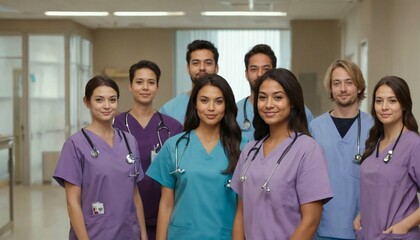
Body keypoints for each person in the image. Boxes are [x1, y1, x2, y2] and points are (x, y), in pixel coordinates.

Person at [231, 68, 332, 240]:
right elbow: (241, 212)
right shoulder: (250, 151)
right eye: (262, 97)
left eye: (278, 97)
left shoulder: (308, 150)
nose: (269, 104)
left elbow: (311, 221)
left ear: (292, 101)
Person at [147, 74, 246, 239]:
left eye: (219, 101)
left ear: (227, 105)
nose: (211, 108)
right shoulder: (174, 146)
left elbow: (243, 208)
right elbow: (166, 204)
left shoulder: (243, 147)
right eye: (204, 100)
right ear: (194, 103)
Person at [53, 75, 148, 240]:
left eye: (112, 100)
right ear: (87, 102)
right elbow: (72, 202)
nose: (106, 106)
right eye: (99, 100)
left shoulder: (129, 141)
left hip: (128, 233)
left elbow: (135, 194)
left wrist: (144, 235)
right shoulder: (75, 144)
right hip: (94, 234)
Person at [113, 60, 183, 240]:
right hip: (124, 217)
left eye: (151, 82)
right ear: (130, 86)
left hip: (163, 215)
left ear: (157, 87)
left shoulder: (173, 128)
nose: (145, 87)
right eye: (139, 82)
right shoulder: (115, 126)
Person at [310, 60, 373, 240]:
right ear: (330, 88)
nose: (343, 88)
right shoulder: (315, 128)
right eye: (336, 83)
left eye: (349, 82)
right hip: (323, 227)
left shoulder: (375, 128)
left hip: (363, 227)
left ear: (359, 87)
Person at [353, 76, 420, 239]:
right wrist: (362, 214)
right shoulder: (374, 141)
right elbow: (379, 187)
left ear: (404, 105)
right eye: (378, 101)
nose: (384, 107)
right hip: (369, 233)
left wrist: (404, 225)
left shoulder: (414, 144)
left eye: (392, 101)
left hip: (397, 235)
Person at [236, 44, 314, 140]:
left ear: (274, 72)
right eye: (254, 69)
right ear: (246, 74)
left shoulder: (300, 110)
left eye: (266, 69)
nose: (260, 74)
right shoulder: (235, 112)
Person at [160, 39, 219, 124]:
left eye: (208, 63)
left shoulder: (226, 106)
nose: (202, 67)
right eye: (196, 63)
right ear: (188, 68)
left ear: (216, 68)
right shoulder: (169, 110)